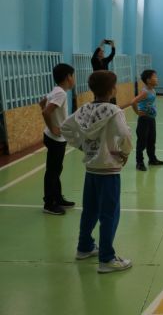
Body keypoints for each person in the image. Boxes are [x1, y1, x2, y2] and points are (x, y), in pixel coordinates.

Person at [61, 70, 133, 274]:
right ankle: (107, 259)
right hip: (109, 170)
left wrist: (81, 146)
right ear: (112, 89)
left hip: (91, 169)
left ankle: (84, 247)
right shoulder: (114, 111)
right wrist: (125, 152)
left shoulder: (84, 110)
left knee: (90, 210)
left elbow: (65, 127)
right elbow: (125, 134)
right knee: (109, 214)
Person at [39, 63, 76, 215]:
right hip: (55, 138)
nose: (74, 79)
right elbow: (46, 112)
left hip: (53, 137)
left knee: (56, 169)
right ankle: (49, 203)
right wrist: (53, 127)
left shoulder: (56, 90)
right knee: (53, 171)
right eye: (73, 76)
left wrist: (52, 125)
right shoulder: (61, 94)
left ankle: (57, 198)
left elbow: (42, 103)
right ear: (68, 77)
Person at [130, 70, 163, 171]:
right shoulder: (145, 92)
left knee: (151, 140)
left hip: (151, 119)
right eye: (155, 77)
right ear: (148, 80)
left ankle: (152, 159)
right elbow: (133, 102)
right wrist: (138, 112)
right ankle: (139, 162)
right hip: (144, 120)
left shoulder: (152, 90)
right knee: (142, 142)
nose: (157, 79)